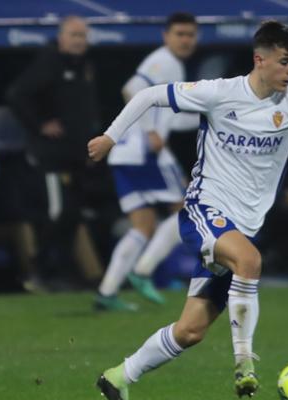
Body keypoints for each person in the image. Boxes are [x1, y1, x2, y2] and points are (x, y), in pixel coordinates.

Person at [88, 20, 288, 400]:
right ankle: (244, 363)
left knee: (190, 331)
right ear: (260, 59)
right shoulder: (220, 93)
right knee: (250, 261)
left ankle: (118, 376)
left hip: (241, 226)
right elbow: (149, 95)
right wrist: (110, 137)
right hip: (204, 210)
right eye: (286, 62)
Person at [93, 12, 199, 311]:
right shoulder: (164, 60)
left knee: (142, 225)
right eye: (179, 34)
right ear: (166, 36)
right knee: (187, 208)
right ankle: (144, 270)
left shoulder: (172, 64)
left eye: (190, 35)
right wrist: (151, 130)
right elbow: (131, 88)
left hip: (124, 155)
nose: (185, 40)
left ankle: (107, 292)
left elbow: (171, 118)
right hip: (143, 152)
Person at [6, 15, 104, 289]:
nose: (78, 41)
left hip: (76, 157)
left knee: (72, 214)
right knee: (57, 213)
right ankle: (35, 271)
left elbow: (86, 110)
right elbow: (16, 94)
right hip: (52, 157)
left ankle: (60, 272)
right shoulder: (49, 63)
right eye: (73, 35)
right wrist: (40, 124)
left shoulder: (85, 66)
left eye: (83, 36)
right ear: (61, 38)